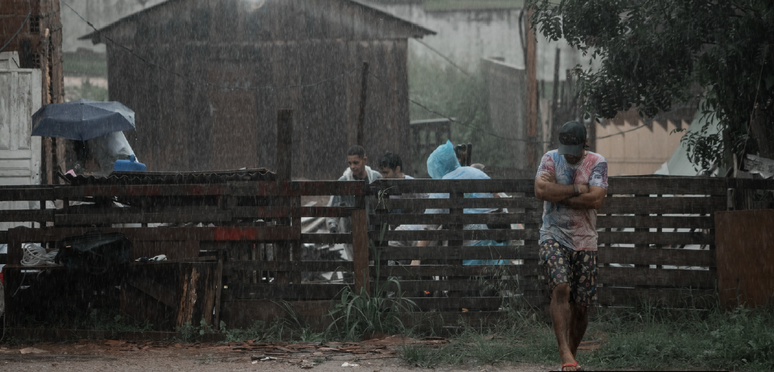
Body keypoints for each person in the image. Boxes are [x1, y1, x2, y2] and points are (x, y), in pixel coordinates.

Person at [534, 120, 608, 372]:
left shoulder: (598, 162)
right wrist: (576, 189)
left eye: (573, 148)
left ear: (584, 144)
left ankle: (571, 358)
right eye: (564, 147)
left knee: (582, 305)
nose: (568, 153)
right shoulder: (550, 159)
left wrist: (559, 193)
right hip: (553, 234)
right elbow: (541, 189)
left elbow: (596, 199)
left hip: (585, 240)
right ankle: (564, 353)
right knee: (561, 287)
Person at [417, 140, 508, 265]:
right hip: (494, 247)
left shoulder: (442, 185)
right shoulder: (477, 173)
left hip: (467, 251)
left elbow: (429, 227)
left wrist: (415, 258)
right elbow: (497, 199)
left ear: (436, 168)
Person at [326, 145, 382, 235]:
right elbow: (334, 205)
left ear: (364, 160)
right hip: (351, 231)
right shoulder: (344, 181)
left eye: (356, 163)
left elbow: (384, 203)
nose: (352, 166)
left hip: (374, 231)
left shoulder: (376, 178)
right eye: (350, 163)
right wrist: (332, 225)